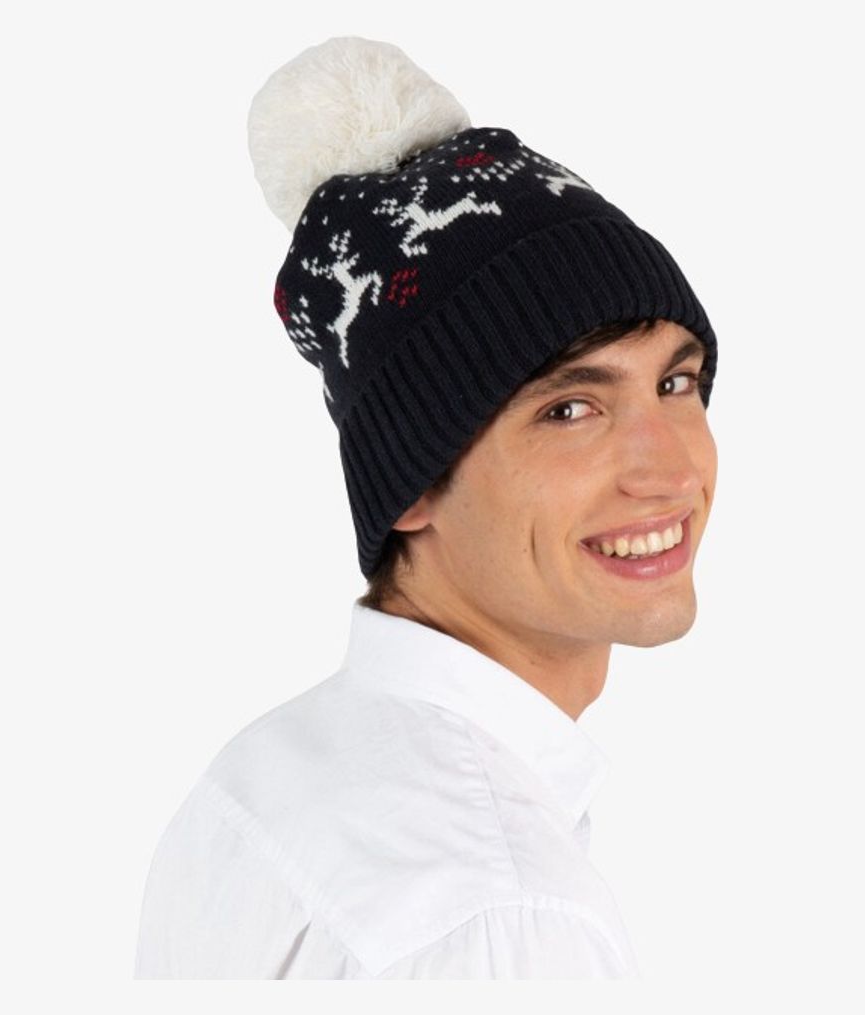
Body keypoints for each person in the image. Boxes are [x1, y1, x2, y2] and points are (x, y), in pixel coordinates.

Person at [134, 35, 719, 979]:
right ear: (411, 479)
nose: (669, 468)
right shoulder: (497, 914)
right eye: (569, 409)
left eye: (676, 382)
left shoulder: (261, 778)